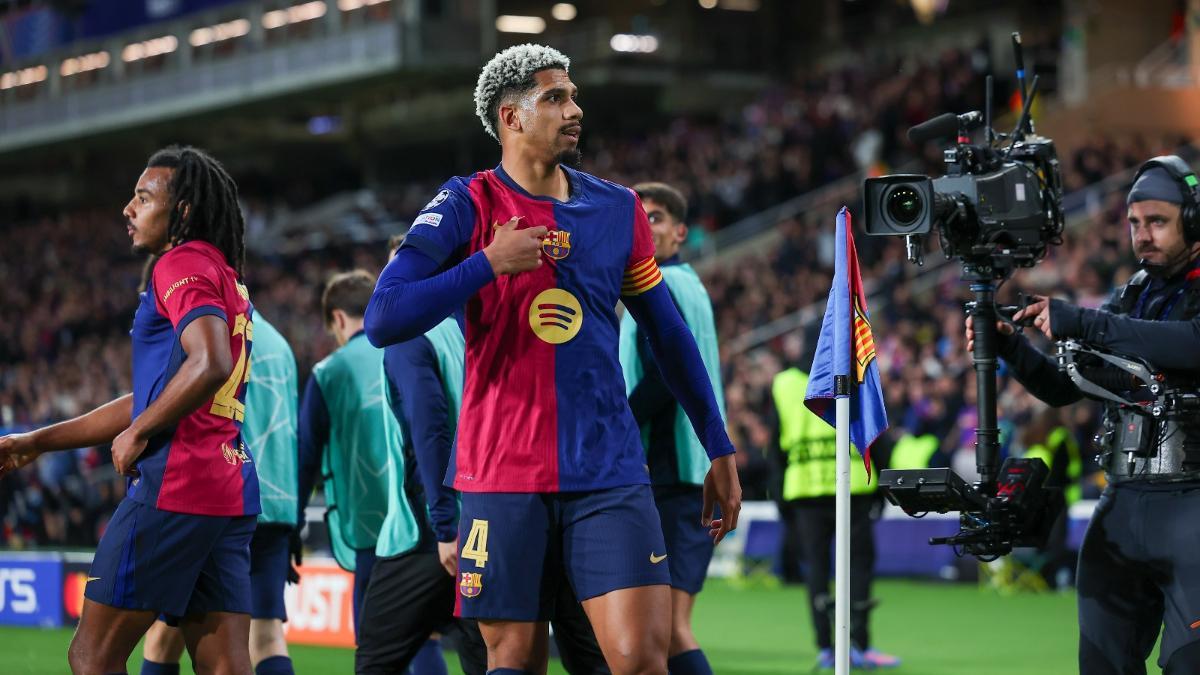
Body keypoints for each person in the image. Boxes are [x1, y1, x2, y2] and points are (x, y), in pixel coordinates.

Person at [363, 44, 742, 675]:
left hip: (609, 474)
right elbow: (383, 317)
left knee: (642, 659)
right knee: (511, 660)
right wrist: (486, 262)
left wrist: (719, 447)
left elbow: (670, 335)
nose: (576, 109)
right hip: (500, 475)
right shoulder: (466, 205)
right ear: (510, 117)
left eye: (573, 95)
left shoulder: (618, 210)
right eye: (556, 97)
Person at [0, 145, 258, 674]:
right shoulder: (224, 274)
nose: (128, 208)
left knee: (91, 656)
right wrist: (37, 441)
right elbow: (155, 395)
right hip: (227, 485)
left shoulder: (179, 262)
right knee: (226, 668)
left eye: (144, 197)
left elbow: (209, 362)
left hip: (175, 483)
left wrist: (140, 432)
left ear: (182, 212)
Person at [965, 154, 1200, 673]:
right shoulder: (1135, 293)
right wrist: (1010, 349)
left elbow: (1192, 345)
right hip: (1120, 503)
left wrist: (1084, 322)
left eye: (1157, 221)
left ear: (1194, 219)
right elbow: (1064, 387)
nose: (1142, 234)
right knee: (1100, 665)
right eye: (1135, 223)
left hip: (1193, 509)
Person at [141, 309, 300, 675]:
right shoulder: (279, 344)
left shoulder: (204, 336)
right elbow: (293, 432)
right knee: (267, 635)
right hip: (276, 506)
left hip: (218, 499)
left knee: (165, 634)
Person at [617, 182, 721, 675]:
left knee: (669, 630)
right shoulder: (693, 285)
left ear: (681, 232)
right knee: (665, 630)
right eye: (639, 218)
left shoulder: (663, 288)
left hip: (670, 472)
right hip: (691, 469)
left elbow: (662, 379)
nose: (645, 227)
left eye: (655, 218)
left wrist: (615, 425)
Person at [769, 335, 901, 671]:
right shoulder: (855, 375)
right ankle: (860, 644)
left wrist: (780, 496)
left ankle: (826, 649)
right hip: (853, 487)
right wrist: (882, 484)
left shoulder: (784, 384)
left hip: (805, 491)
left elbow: (775, 447)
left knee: (816, 570)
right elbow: (874, 432)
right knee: (858, 567)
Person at [297, 270, 401, 636]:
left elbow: (305, 459)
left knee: (376, 652)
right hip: (428, 525)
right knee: (427, 640)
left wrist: (293, 527)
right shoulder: (410, 349)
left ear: (338, 319)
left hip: (369, 529)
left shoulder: (330, 371)